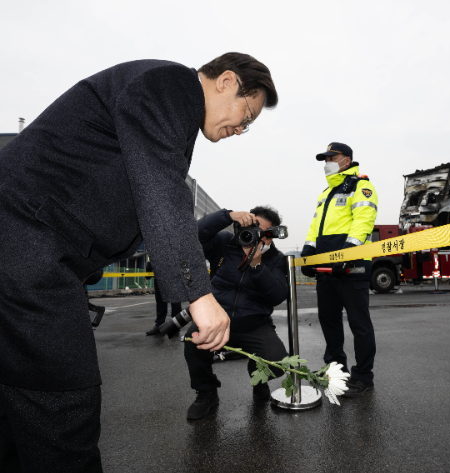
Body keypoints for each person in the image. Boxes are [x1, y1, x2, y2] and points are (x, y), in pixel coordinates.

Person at [0, 53, 277, 472]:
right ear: (225, 81)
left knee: (19, 404)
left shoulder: (166, 106)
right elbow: (162, 189)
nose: (242, 129)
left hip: (29, 253)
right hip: (26, 250)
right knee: (62, 409)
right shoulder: (168, 86)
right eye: (247, 113)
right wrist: (199, 295)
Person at [184, 206, 289, 420]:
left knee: (278, 362)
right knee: (192, 340)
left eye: (263, 234)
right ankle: (206, 392)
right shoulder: (224, 243)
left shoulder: (276, 259)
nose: (256, 236)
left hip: (254, 325)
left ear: (271, 238)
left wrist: (258, 266)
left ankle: (258, 379)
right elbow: (194, 234)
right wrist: (227, 216)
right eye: (252, 229)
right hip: (218, 319)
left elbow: (277, 295)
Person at [300, 142, 378, 397]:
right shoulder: (325, 193)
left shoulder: (361, 186)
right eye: (325, 159)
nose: (327, 162)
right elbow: (316, 227)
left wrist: (348, 252)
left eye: (332, 157)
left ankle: (363, 377)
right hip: (326, 270)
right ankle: (336, 369)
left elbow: (364, 221)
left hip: (352, 268)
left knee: (359, 324)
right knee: (329, 321)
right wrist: (309, 250)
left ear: (347, 159)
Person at [144, 260, 184, 336]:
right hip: (169, 274)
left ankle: (162, 325)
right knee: (170, 301)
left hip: (166, 273)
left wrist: (148, 269)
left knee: (168, 301)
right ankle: (172, 326)